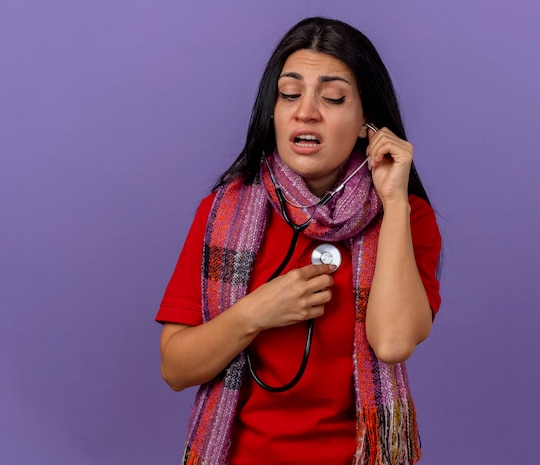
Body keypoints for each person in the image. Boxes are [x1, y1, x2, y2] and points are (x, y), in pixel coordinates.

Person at [156, 17, 441, 465]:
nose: (305, 110)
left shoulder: (408, 218)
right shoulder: (221, 213)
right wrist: (255, 313)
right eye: (290, 94)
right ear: (273, 109)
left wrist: (394, 201)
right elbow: (175, 368)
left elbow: (393, 344)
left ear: (368, 119)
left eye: (332, 97)